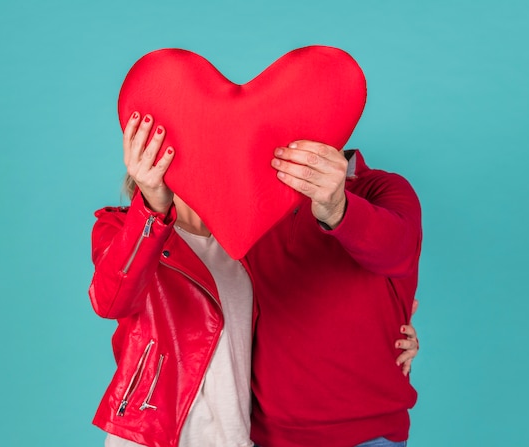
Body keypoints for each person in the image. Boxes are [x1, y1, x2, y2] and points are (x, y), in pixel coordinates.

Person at [88, 113, 420, 446]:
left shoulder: (240, 238)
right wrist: (150, 208)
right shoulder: (126, 231)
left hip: (244, 436)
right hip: (160, 433)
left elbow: (385, 255)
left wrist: (387, 326)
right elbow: (112, 299)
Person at [247, 140, 422, 447]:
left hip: (370, 433)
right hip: (267, 433)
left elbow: (399, 251)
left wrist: (337, 207)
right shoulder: (251, 199)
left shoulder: (384, 187)